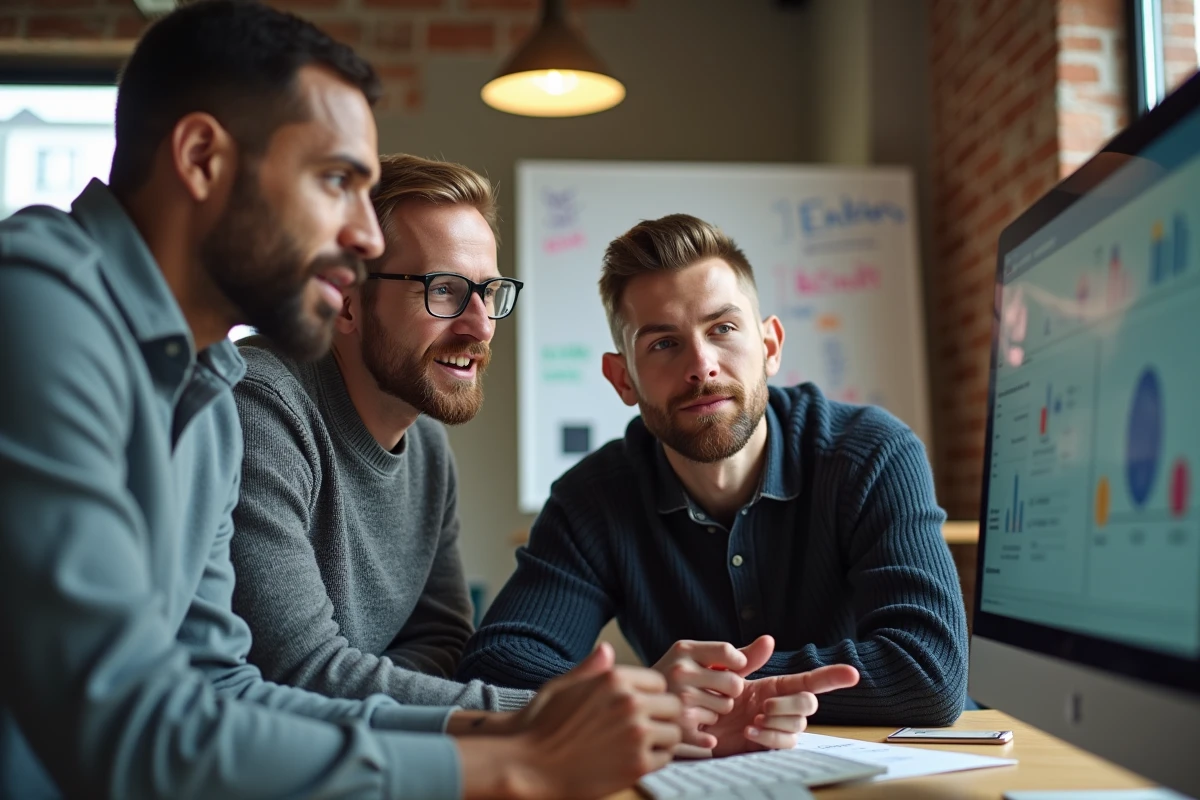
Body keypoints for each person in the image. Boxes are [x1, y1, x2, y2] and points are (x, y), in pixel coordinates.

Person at [0, 4, 681, 798]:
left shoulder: (206, 386)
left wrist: (533, 726)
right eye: (336, 181)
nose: (362, 236)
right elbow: (124, 721)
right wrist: (511, 760)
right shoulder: (38, 304)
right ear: (200, 158)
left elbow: (225, 689)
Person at [458, 213, 969, 757]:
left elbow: (928, 671)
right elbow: (498, 663)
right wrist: (654, 692)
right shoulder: (594, 497)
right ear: (622, 378)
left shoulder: (872, 455)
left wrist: (702, 688)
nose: (701, 365)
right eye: (663, 344)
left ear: (770, 345)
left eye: (723, 329)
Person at [229, 153, 533, 712]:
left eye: (489, 293)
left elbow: (441, 640)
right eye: (444, 290)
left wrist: (367, 687)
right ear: (346, 300)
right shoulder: (258, 406)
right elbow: (298, 673)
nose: (481, 324)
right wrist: (548, 715)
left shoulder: (428, 447)